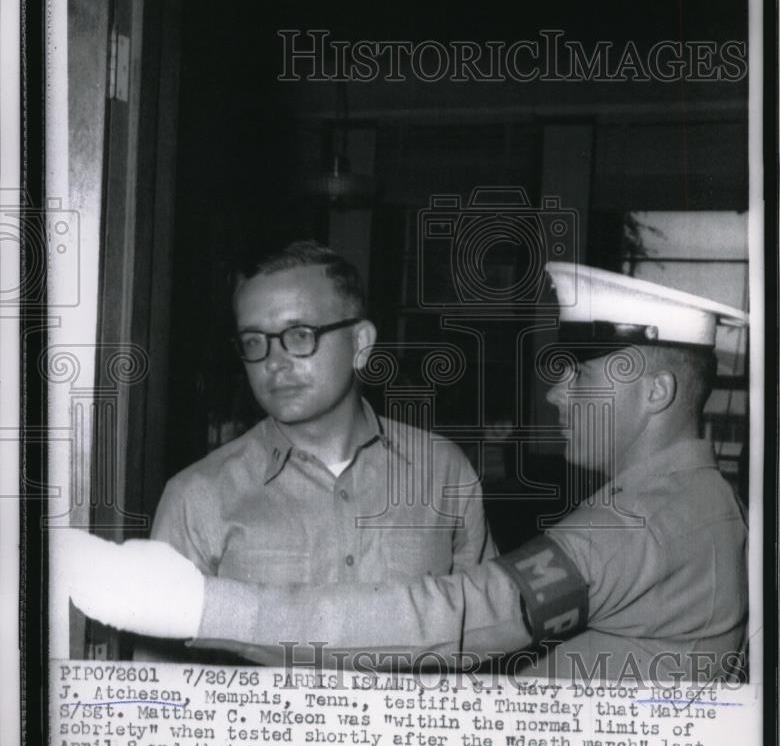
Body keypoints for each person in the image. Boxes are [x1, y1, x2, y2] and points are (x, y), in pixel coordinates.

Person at [59, 261, 749, 682]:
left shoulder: (643, 523)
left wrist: (202, 605)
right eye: (253, 343)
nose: (555, 392)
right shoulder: (675, 501)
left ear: (655, 392)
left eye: (578, 374)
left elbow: (465, 617)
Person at [144, 240, 495, 662]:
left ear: (361, 342)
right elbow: (158, 687)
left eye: (299, 335)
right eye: (255, 342)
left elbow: (488, 634)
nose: (273, 362)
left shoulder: (443, 472)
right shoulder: (196, 495)